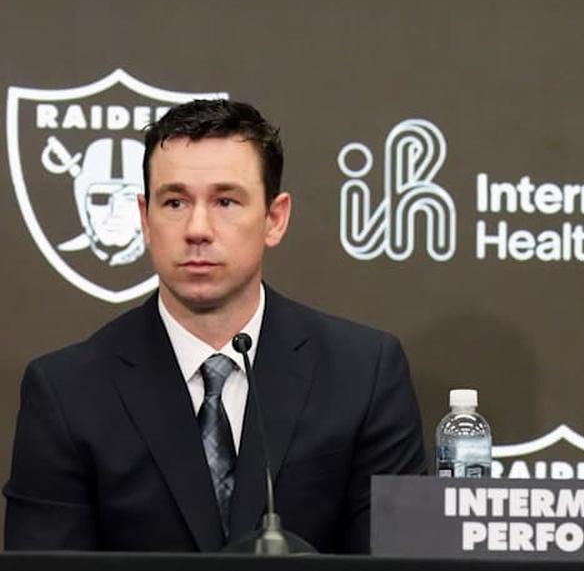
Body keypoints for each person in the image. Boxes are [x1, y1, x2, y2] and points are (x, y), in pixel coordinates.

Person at [4, 99, 427, 553]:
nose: (197, 228)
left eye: (225, 201)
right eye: (175, 202)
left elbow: (396, 561)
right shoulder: (68, 391)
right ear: (145, 219)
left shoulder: (364, 374)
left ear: (275, 218)